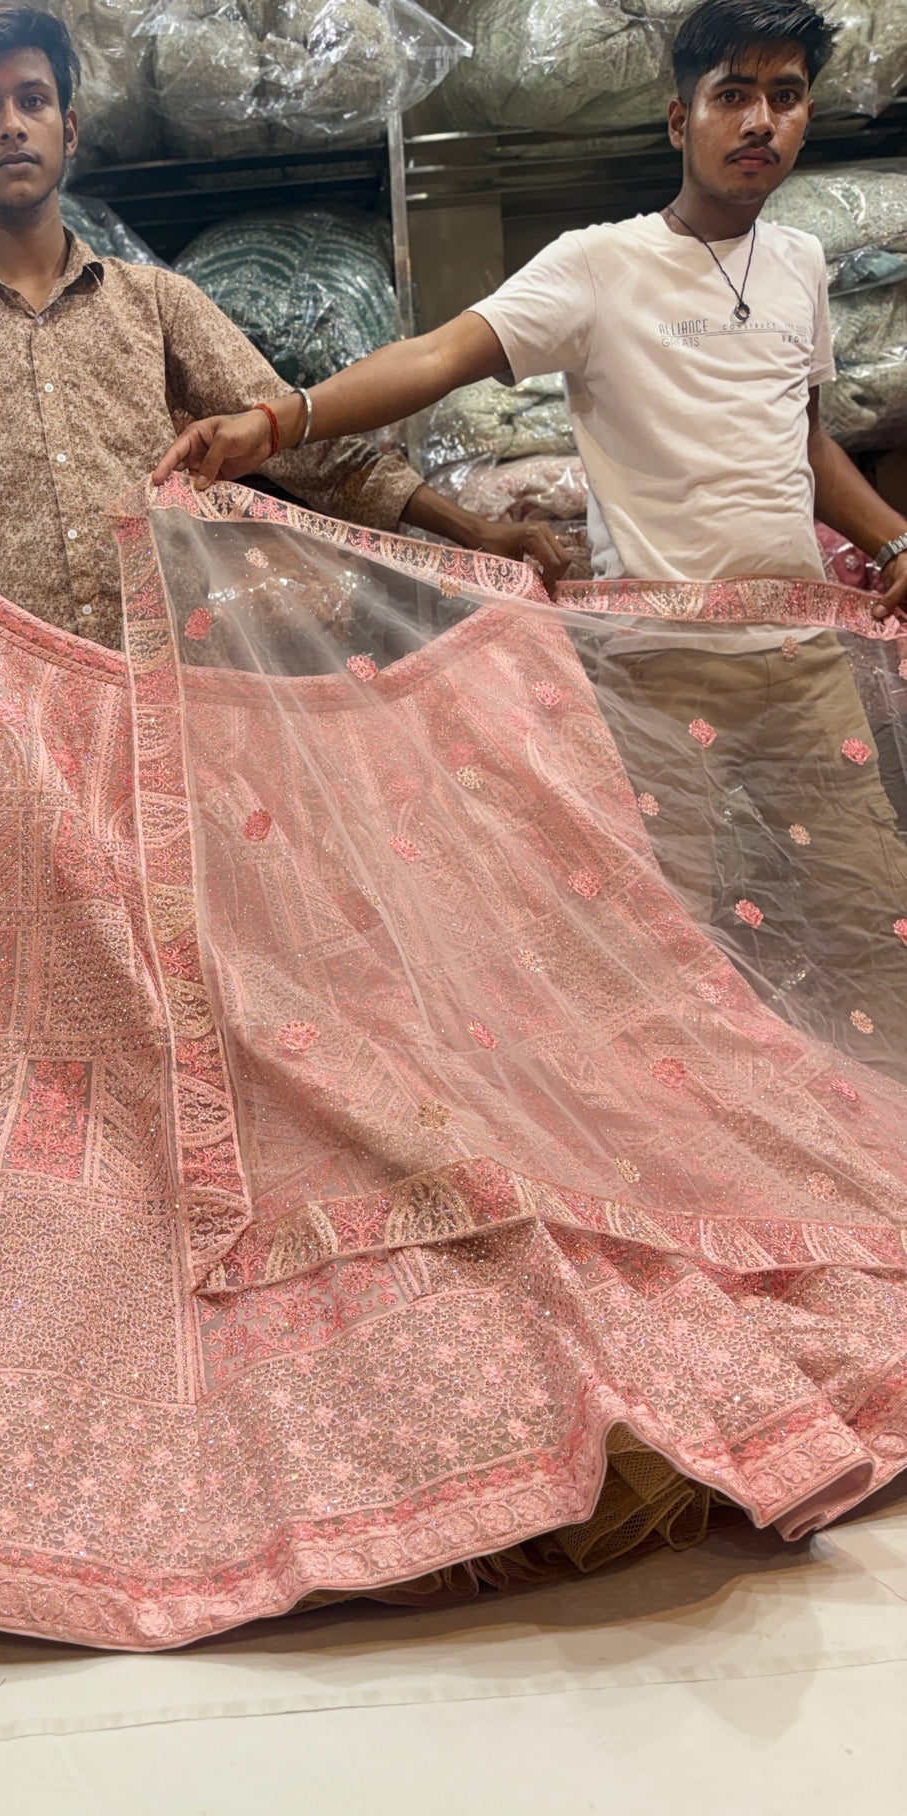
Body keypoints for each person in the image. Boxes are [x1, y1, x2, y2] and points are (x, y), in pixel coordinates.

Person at [156, 0, 907, 1062]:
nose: (759, 122)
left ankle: (874, 1162)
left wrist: (889, 539)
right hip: (657, 674)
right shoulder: (597, 265)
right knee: (666, 945)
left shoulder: (799, 265)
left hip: (799, 662)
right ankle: (680, 1161)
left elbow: (802, 439)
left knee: (868, 918)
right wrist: (279, 419)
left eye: (783, 98)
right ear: (675, 119)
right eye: (730, 95)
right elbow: (434, 355)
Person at [0, 2, 567, 651]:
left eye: (31, 100)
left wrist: (471, 529)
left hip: (173, 680)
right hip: (18, 705)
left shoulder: (155, 303)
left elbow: (301, 441)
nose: (12, 125)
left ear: (70, 127)